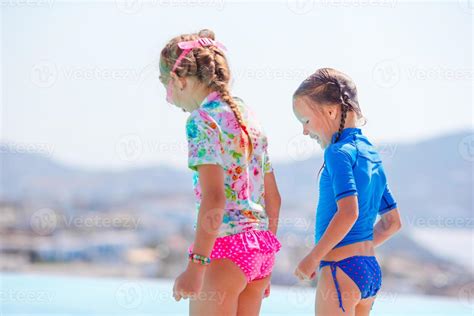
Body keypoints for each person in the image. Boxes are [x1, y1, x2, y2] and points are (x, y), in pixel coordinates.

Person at [159, 29, 282, 316]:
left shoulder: (201, 121)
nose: (168, 97)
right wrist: (269, 262)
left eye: (166, 85)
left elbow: (214, 199)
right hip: (260, 250)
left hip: (226, 248)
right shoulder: (248, 117)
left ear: (181, 80)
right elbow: (273, 198)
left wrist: (196, 265)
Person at [292, 68, 402, 315]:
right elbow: (392, 223)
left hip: (338, 269)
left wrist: (313, 257)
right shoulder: (371, 153)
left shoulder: (338, 152)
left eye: (305, 121)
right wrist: (357, 249)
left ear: (331, 111)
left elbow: (348, 212)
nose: (304, 131)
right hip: (369, 270)